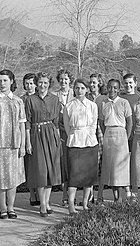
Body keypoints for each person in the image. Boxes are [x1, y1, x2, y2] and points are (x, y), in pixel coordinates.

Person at [0, 69, 26, 219]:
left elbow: (22, 125)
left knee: (13, 178)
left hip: (14, 145)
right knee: (0, 178)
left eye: (5, 80)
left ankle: (11, 207)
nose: (1, 83)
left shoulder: (18, 101)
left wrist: (23, 145)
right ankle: (2, 208)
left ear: (12, 81)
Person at [25, 72, 62, 216]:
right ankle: (42, 204)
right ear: (36, 83)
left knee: (51, 171)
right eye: (40, 82)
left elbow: (57, 122)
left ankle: (47, 202)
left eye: (45, 83)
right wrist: (28, 142)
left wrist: (57, 139)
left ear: (49, 84)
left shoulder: (54, 99)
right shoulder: (30, 100)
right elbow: (27, 122)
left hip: (51, 133)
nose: (42, 85)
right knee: (41, 171)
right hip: (36, 134)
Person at [64, 79, 99, 214]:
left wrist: (87, 137)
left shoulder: (92, 106)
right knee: (74, 175)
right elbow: (67, 126)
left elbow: (94, 124)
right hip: (74, 142)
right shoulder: (69, 106)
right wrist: (75, 136)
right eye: (77, 88)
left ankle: (85, 203)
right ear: (74, 89)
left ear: (87, 90)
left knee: (88, 175)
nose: (80, 91)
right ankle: (71, 205)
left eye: (82, 88)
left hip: (90, 143)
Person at [99, 79, 133, 202]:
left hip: (121, 134)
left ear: (118, 89)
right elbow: (101, 122)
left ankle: (127, 193)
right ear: (107, 88)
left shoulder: (124, 102)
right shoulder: (104, 103)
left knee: (121, 165)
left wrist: (126, 136)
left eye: (115, 87)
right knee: (111, 166)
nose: (112, 90)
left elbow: (129, 121)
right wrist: (106, 133)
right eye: (110, 87)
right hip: (109, 133)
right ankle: (116, 196)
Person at [52, 69, 75, 206]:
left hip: (74, 131)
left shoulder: (75, 93)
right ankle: (64, 194)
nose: (63, 81)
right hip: (61, 131)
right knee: (63, 164)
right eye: (61, 79)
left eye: (66, 79)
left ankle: (73, 195)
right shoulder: (55, 95)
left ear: (70, 80)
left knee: (74, 165)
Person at [21, 73, 40, 206]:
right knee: (29, 165)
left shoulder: (39, 98)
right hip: (24, 133)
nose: (29, 86)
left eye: (31, 83)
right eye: (27, 83)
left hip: (38, 132)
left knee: (39, 165)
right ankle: (32, 193)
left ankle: (40, 192)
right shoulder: (21, 99)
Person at [88, 73, 107, 204]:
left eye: (94, 82)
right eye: (91, 82)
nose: (92, 85)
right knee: (89, 164)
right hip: (88, 131)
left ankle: (100, 194)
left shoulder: (104, 98)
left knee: (101, 164)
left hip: (101, 131)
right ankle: (90, 195)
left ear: (99, 83)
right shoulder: (86, 97)